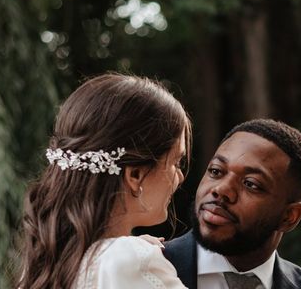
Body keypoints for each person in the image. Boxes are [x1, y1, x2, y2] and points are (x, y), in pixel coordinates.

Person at [17, 73, 191, 289]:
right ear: (135, 175)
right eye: (176, 162)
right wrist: (134, 256)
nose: (180, 177)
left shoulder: (46, 265)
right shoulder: (130, 261)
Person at [164, 119, 301, 289]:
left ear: (289, 217)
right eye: (216, 171)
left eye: (251, 184)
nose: (221, 189)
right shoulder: (146, 267)